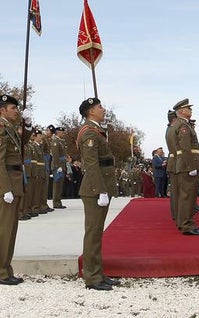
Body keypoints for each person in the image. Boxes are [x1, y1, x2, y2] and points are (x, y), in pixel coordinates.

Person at [77, 97, 119, 290]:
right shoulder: (89, 132)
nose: (103, 109)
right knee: (93, 233)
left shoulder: (96, 130)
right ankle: (92, 277)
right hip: (95, 189)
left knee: (96, 233)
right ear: (91, 111)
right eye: (99, 107)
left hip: (100, 186)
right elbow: (92, 164)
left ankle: (98, 273)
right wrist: (100, 190)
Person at [0, 94, 26, 286]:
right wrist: (5, 188)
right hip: (8, 183)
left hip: (14, 182)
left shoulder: (9, 128)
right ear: (3, 110)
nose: (16, 111)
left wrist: (27, 126)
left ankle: (5, 269)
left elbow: (20, 148)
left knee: (10, 230)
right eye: (13, 108)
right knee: (3, 229)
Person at [169, 98, 199, 235]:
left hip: (183, 165)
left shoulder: (178, 124)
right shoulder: (183, 126)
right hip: (186, 165)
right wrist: (191, 166)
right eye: (188, 108)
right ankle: (187, 225)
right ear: (182, 111)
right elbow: (185, 148)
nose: (190, 110)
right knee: (188, 196)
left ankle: (182, 222)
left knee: (184, 196)